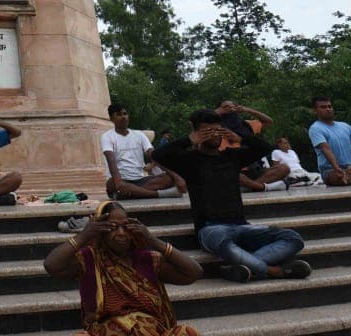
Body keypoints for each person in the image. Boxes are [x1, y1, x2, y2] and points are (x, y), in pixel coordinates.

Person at [153, 110, 310, 283]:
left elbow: (264, 148)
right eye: (207, 131)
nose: (214, 135)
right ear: (197, 133)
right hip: (210, 229)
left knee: (293, 238)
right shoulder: (189, 160)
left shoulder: (232, 157)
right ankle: (275, 271)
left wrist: (241, 137)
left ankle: (242, 266)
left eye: (218, 130)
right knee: (223, 243)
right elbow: (158, 155)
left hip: (242, 226)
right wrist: (189, 140)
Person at [44, 200, 202, 336]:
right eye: (113, 227)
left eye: (125, 227)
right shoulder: (89, 259)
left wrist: (154, 241)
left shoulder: (147, 259)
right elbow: (52, 265)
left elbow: (194, 273)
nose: (121, 233)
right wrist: (84, 236)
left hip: (150, 330)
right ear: (100, 230)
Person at [101, 104, 183, 200]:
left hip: (141, 180)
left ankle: (131, 193)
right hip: (120, 180)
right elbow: (111, 159)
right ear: (111, 119)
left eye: (125, 114)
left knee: (170, 178)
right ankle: (159, 194)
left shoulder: (139, 135)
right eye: (119, 114)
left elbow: (154, 156)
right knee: (113, 184)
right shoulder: (107, 136)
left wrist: (175, 176)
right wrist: (119, 181)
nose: (123, 117)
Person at [215, 99, 290, 192]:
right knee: (230, 174)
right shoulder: (216, 127)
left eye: (233, 106)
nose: (230, 109)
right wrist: (216, 112)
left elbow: (269, 121)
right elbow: (198, 123)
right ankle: (257, 187)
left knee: (284, 168)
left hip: (254, 170)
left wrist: (248, 110)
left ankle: (248, 188)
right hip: (233, 170)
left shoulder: (246, 125)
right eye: (226, 107)